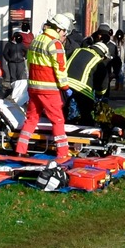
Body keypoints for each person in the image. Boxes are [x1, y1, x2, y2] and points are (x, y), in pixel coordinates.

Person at [15, 13, 73, 162]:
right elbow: (60, 67)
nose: (64, 35)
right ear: (59, 29)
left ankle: (20, 150)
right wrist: (65, 87)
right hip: (49, 89)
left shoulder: (36, 40)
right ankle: (63, 153)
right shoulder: (55, 44)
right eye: (64, 31)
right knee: (57, 120)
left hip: (33, 87)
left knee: (31, 119)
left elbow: (29, 63)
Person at [63, 40, 109, 126]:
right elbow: (102, 84)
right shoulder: (99, 61)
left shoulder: (77, 50)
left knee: (63, 111)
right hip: (82, 91)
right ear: (103, 56)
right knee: (86, 116)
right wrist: (99, 94)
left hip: (64, 85)